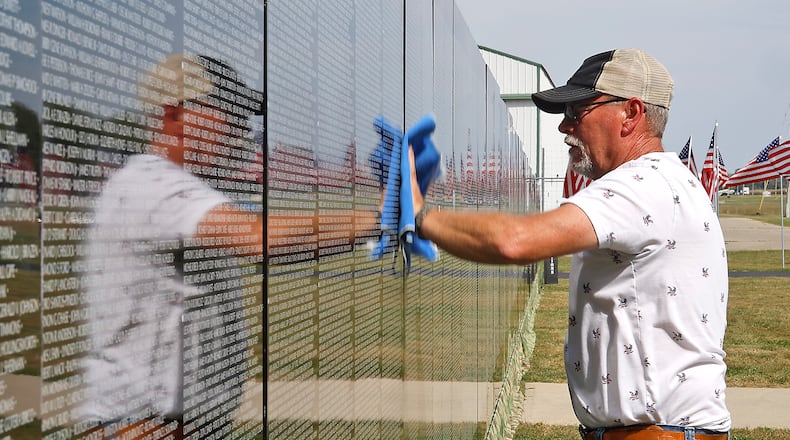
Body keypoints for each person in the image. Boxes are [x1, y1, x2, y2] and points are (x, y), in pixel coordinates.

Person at [409, 48, 731, 440]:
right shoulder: (670, 181)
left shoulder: (638, 186)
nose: (565, 127)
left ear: (630, 113)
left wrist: (421, 216)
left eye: (577, 112)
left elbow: (515, 242)